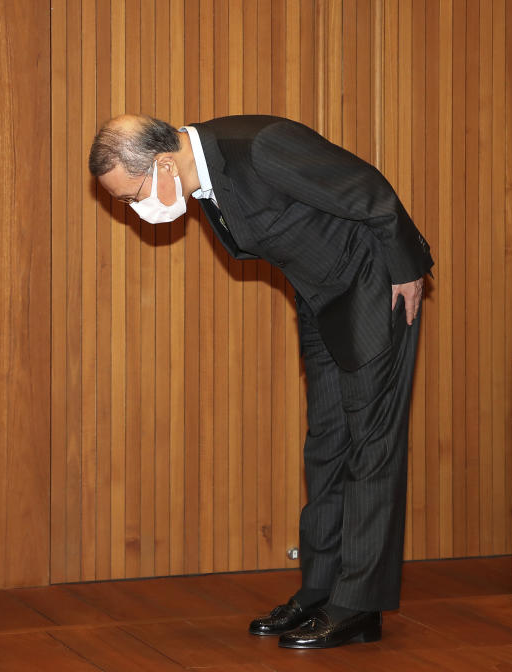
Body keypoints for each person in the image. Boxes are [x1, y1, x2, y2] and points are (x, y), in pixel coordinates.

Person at [89, 114, 433, 649]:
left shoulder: (262, 146)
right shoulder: (196, 174)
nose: (136, 210)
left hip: (375, 287)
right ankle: (319, 589)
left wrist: (407, 269)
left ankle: (358, 606)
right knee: (326, 445)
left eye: (131, 196)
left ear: (161, 163)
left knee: (372, 446)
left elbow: (368, 188)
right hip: (321, 298)